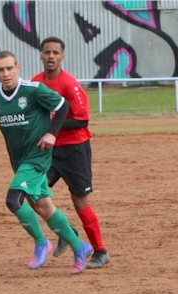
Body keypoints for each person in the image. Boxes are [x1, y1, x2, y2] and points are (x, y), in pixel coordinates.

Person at [0, 51, 93, 274]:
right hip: (19, 160)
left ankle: (42, 242)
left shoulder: (33, 90)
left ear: (18, 68)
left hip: (37, 156)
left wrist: (51, 133)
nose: (6, 73)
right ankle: (80, 247)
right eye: (1, 70)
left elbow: (62, 107)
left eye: (10, 68)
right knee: (43, 206)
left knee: (13, 200)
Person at [32, 36, 110, 269]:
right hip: (50, 151)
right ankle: (67, 231)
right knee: (34, 192)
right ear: (41, 55)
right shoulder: (36, 83)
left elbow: (81, 120)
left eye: (56, 53)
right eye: (47, 52)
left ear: (62, 56)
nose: (51, 57)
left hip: (75, 150)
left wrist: (51, 129)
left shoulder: (69, 84)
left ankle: (100, 251)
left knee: (80, 202)